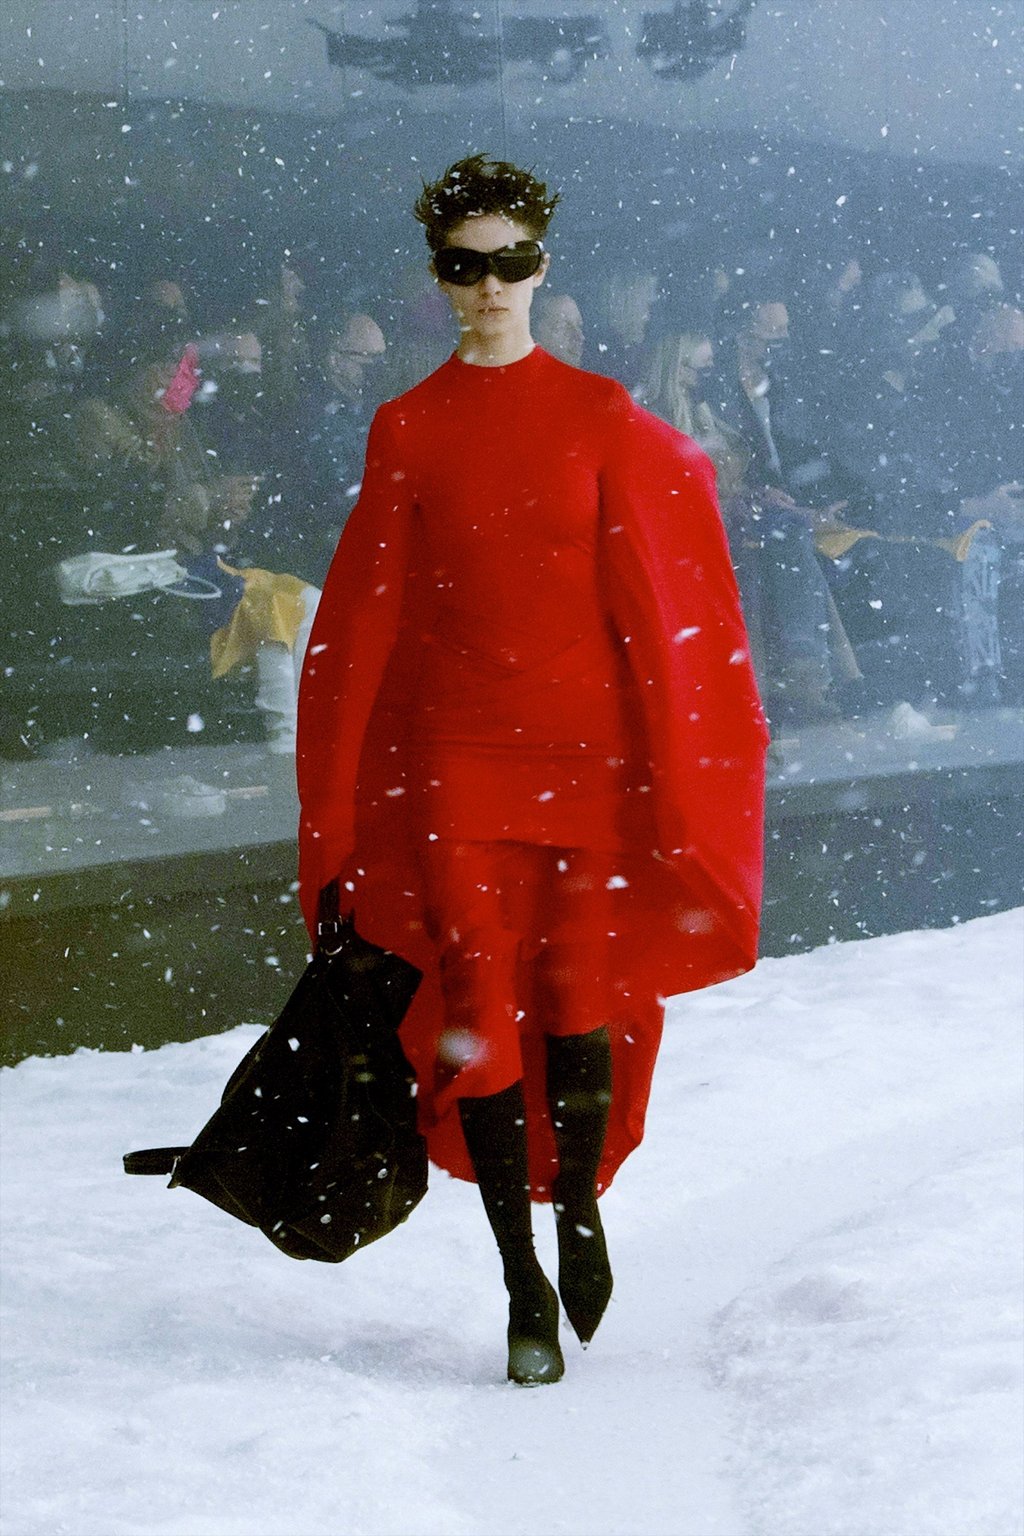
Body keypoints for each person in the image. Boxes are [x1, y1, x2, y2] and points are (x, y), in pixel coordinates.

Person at [296, 155, 768, 1386]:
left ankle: (578, 1215)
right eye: (465, 265)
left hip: (588, 757)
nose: (490, 285)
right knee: (474, 1006)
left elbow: (671, 563)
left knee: (573, 996)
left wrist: (682, 754)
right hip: (458, 761)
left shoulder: (603, 415)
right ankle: (519, 1276)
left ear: (542, 267)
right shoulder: (407, 428)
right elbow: (362, 623)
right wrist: (337, 810)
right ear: (439, 278)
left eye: (511, 262)